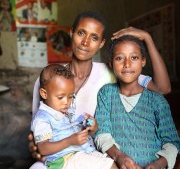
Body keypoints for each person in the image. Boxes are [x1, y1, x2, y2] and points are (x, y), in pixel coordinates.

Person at [29, 11, 171, 169]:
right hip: (60, 157)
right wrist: (36, 148)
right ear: (71, 33)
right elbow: (38, 131)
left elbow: (162, 88)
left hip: (94, 156)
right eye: (81, 33)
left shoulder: (113, 72)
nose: (85, 42)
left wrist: (147, 38)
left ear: (101, 43)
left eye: (94, 37)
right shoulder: (49, 79)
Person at [94, 35, 179, 168]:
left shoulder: (156, 100)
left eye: (134, 58)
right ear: (110, 63)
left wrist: (159, 164)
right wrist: (119, 156)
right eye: (119, 58)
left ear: (143, 61)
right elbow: (102, 133)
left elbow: (172, 142)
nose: (127, 64)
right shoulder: (106, 93)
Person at [31, 63, 117, 169]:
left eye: (71, 96)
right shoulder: (43, 118)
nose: (66, 102)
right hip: (64, 160)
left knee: (109, 161)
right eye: (60, 97)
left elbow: (76, 127)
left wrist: (90, 125)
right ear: (44, 93)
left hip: (82, 152)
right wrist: (70, 141)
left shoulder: (65, 111)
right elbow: (42, 148)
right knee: (108, 166)